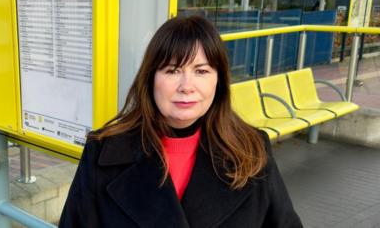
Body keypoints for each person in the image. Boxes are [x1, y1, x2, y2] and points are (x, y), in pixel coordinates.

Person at [58, 15, 303, 228]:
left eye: (201, 71)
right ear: (151, 78)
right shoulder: (104, 153)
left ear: (218, 81)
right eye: (172, 70)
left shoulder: (251, 150)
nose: (187, 87)